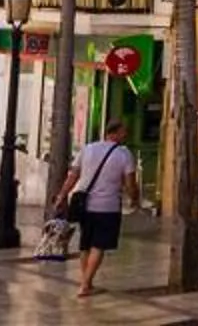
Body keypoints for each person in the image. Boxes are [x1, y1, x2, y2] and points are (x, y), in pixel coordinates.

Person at [57, 120, 141, 299]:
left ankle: (87, 282)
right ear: (116, 133)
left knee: (85, 244)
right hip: (108, 206)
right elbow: (130, 184)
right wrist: (135, 199)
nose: (125, 135)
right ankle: (85, 284)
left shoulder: (87, 149)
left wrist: (62, 195)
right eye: (124, 132)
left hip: (84, 205)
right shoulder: (124, 154)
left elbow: (73, 176)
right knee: (99, 245)